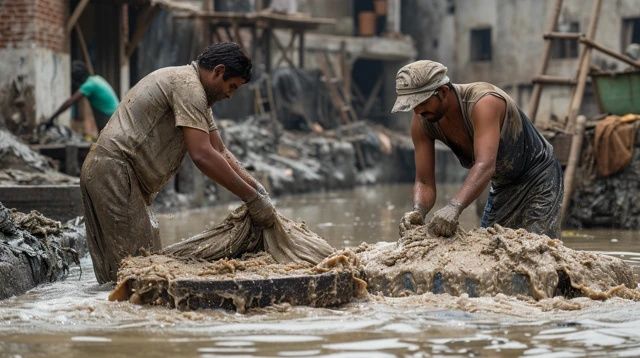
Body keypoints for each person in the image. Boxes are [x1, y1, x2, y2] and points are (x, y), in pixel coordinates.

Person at [80, 42, 276, 284]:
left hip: (120, 175)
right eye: (231, 86)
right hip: (115, 171)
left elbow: (220, 150)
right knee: (140, 275)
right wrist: (252, 200)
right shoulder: (188, 87)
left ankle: (115, 318)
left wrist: (257, 188)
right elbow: (202, 155)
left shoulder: (197, 95)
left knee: (133, 270)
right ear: (218, 71)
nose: (230, 94)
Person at [394, 60, 563, 239]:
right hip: (502, 183)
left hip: (539, 176)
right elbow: (424, 182)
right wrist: (418, 211)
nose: (417, 110)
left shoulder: (484, 102)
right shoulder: (422, 120)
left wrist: (454, 206)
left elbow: (485, 165)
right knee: (490, 249)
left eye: (422, 102)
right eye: (412, 105)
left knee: (538, 247)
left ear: (443, 92)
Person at [47, 61, 119, 135]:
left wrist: (52, 117)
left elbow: (70, 102)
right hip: (114, 113)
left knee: (106, 142)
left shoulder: (89, 85)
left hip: (109, 115)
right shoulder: (96, 78)